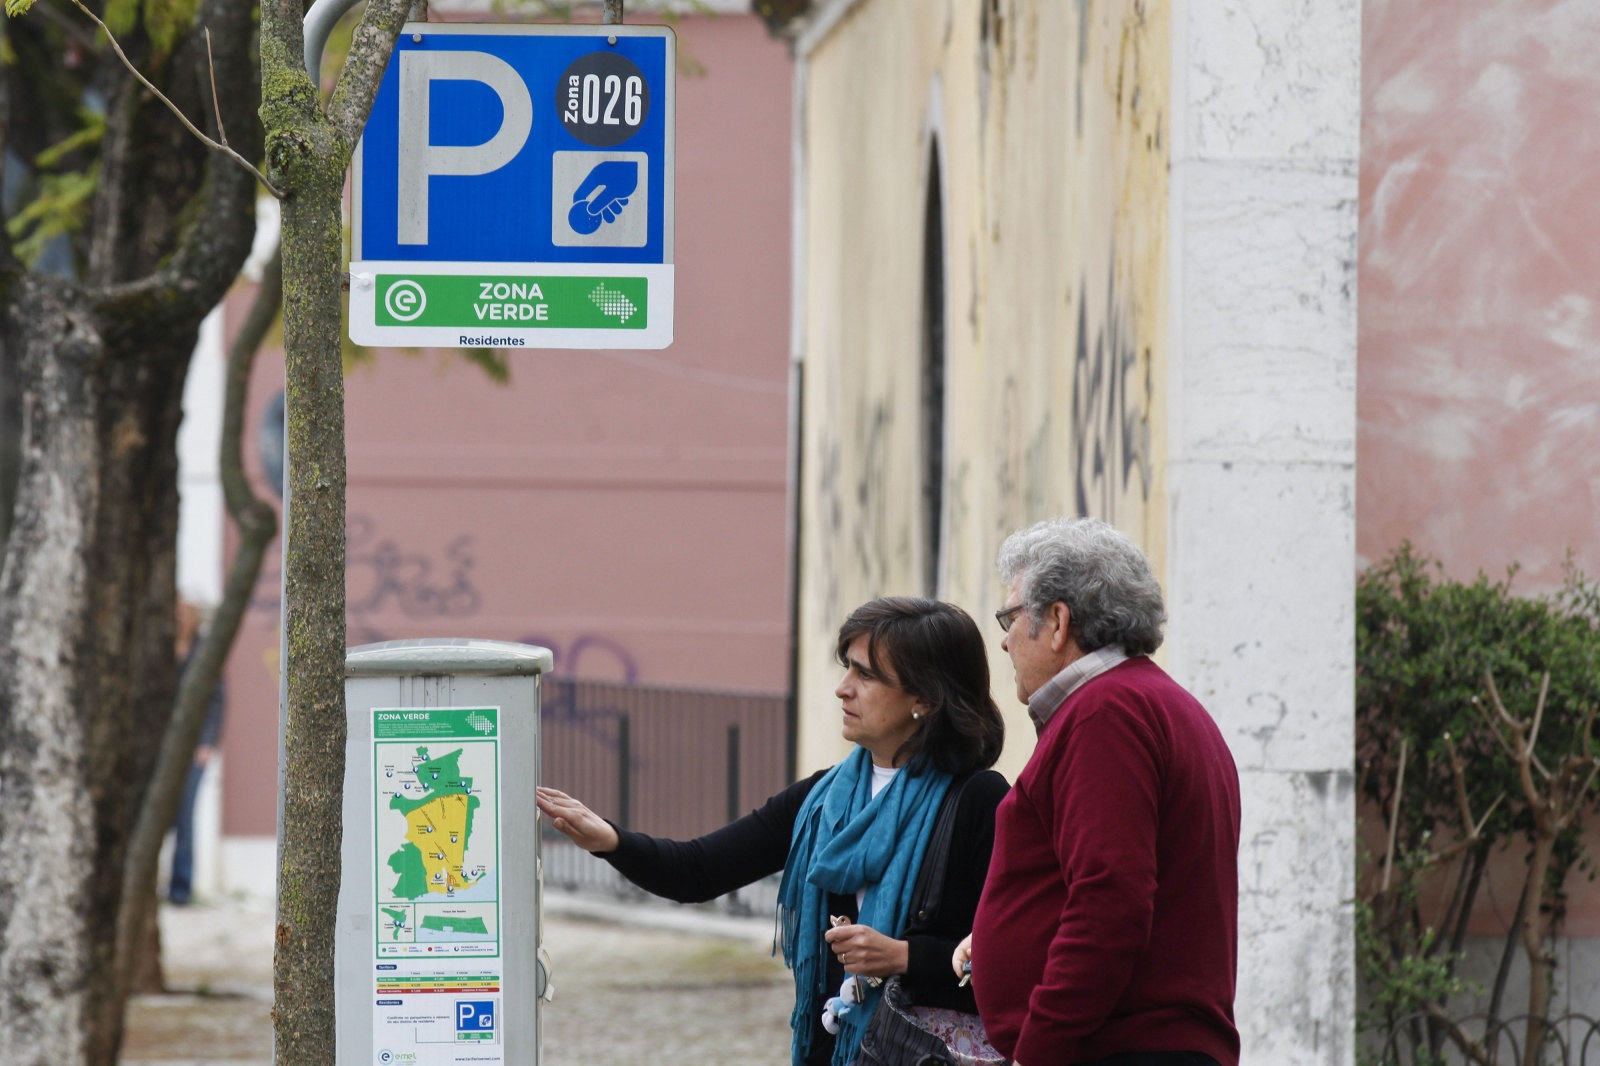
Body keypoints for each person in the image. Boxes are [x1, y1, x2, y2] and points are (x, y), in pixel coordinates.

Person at [537, 597, 1009, 1066]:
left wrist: (905, 956)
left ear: (924, 699)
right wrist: (610, 841)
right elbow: (697, 871)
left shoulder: (977, 801)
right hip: (836, 1050)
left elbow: (1008, 955)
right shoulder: (822, 801)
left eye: (866, 675)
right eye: (847, 668)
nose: (843, 689)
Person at [955, 518, 1241, 1066]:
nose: (1003, 639)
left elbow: (1109, 902)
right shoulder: (1150, 701)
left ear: (1058, 621)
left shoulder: (1106, 714)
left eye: (1010, 617)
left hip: (1121, 1047)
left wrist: (1037, 1052)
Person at [169, 599, 226, 905]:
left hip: (193, 748)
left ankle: (180, 889)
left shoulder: (204, 649)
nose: (180, 618)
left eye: (184, 613)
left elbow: (217, 699)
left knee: (186, 815)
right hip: (162, 745)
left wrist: (207, 742)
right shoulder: (160, 647)